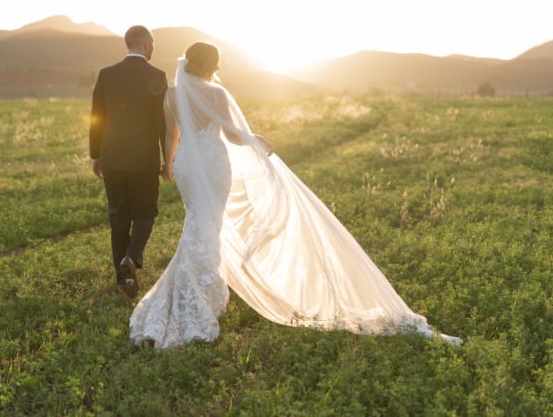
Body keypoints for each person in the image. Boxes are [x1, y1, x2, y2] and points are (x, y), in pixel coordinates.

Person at [129, 42, 460, 348]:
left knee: (196, 222)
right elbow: (232, 137)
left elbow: (172, 133)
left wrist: (169, 164)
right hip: (214, 164)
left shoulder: (171, 95)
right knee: (209, 225)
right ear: (211, 65)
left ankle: (192, 292)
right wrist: (255, 137)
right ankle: (201, 297)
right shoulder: (216, 93)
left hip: (188, 163)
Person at [89, 25, 168, 298]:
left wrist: (96, 155)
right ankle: (131, 260)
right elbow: (163, 124)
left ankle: (123, 281)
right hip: (144, 160)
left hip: (112, 157)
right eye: (153, 42)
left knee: (118, 216)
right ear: (146, 44)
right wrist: (167, 160)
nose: (154, 47)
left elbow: (96, 117)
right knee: (145, 212)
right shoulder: (157, 76)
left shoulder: (107, 74)